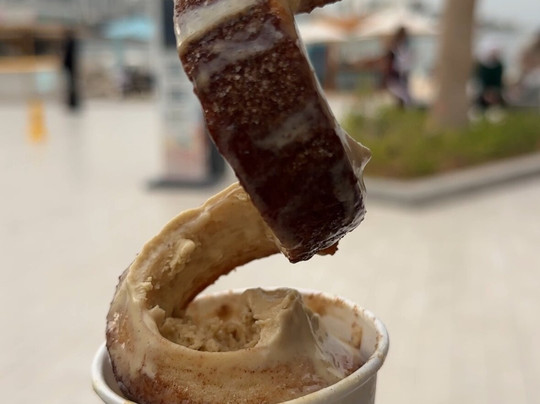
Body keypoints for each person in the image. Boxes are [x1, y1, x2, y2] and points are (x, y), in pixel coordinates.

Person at [383, 26, 413, 108]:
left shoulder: (400, 46)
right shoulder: (396, 48)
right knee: (403, 95)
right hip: (395, 75)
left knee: (403, 95)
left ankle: (401, 108)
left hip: (399, 74)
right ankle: (401, 108)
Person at [474, 44, 505, 110]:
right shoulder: (482, 67)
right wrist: (487, 93)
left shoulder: (499, 66)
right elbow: (479, 81)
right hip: (484, 92)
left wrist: (495, 92)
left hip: (496, 91)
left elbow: (499, 81)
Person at [62, 29, 81, 111]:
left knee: (72, 85)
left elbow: (69, 56)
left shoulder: (70, 43)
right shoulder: (72, 43)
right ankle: (72, 103)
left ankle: (73, 103)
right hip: (72, 67)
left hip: (71, 66)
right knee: (72, 85)